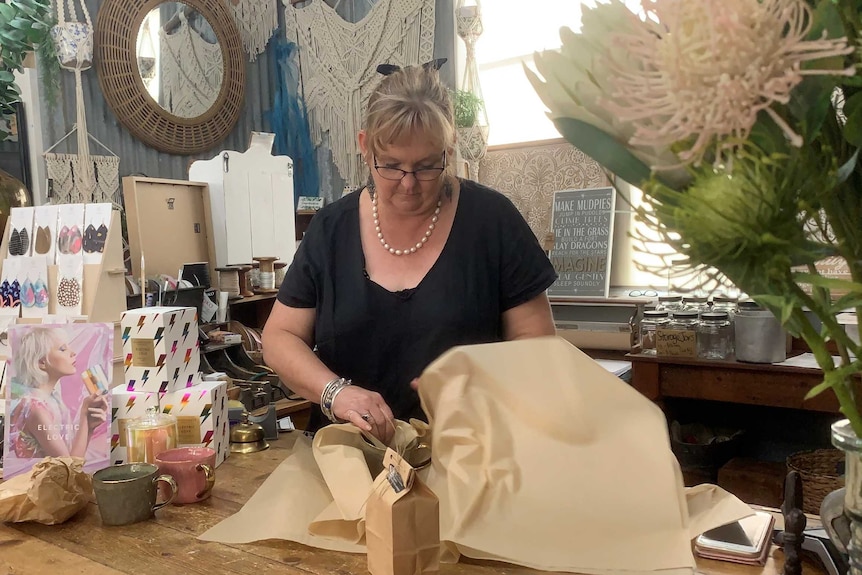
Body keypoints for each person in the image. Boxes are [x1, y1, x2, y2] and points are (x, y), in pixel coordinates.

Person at [262, 62, 557, 444]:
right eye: (392, 165)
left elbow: (538, 343)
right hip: (350, 457)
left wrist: (480, 376)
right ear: (365, 146)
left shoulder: (492, 221)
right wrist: (336, 393)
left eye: (426, 166)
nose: (408, 184)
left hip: (471, 457)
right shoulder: (330, 229)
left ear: (448, 150)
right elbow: (280, 337)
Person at [8, 326, 109, 458]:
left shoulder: (51, 398)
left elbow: (71, 461)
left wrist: (89, 427)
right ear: (41, 362)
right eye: (62, 349)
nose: (73, 353)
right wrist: (84, 415)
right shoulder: (35, 408)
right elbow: (69, 467)